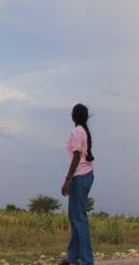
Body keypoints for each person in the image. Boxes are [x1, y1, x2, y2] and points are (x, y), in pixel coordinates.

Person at [60, 103, 95, 265]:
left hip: (79, 177)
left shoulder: (76, 131)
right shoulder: (84, 132)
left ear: (73, 116)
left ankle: (86, 259)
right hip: (87, 175)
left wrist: (67, 179)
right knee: (76, 217)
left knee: (78, 218)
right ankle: (72, 256)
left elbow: (75, 157)